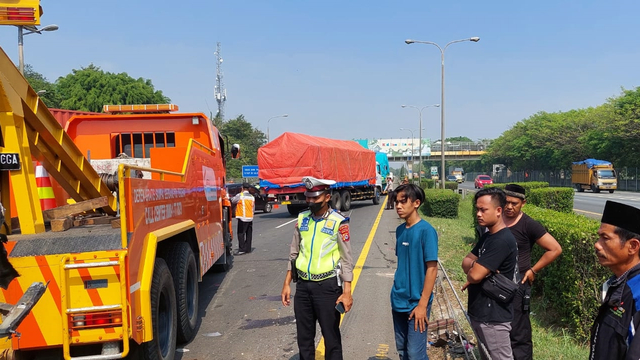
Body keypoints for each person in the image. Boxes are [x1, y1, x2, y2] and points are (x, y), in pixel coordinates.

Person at [281, 177, 354, 360]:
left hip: (327, 287)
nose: (311, 202)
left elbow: (346, 259)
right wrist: (287, 283)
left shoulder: (339, 221)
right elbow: (294, 252)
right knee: (304, 339)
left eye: (316, 198)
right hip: (304, 287)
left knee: (331, 339)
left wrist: (347, 292)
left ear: (327, 197)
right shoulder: (302, 218)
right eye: (308, 197)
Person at [502, 184, 562, 360]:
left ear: (523, 203)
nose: (509, 207)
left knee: (519, 331)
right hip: (495, 283)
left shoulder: (528, 224)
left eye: (514, 203)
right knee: (498, 327)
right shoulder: (496, 219)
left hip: (518, 284)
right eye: (506, 202)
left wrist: (533, 269)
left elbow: (555, 249)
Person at [462, 187, 518, 360]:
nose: (478, 214)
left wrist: (479, 269)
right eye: (477, 209)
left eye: (483, 210)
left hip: (493, 318)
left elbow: (474, 276)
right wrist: (478, 265)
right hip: (481, 313)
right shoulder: (488, 237)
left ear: (498, 210)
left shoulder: (501, 240)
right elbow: (465, 263)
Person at [390, 183, 438, 360]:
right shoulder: (400, 230)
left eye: (403, 201)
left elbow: (432, 269)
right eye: (396, 202)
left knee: (416, 354)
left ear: (416, 203)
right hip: (398, 299)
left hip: (417, 303)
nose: (398, 206)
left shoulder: (427, 231)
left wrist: (422, 305)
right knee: (402, 349)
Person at [590, 201, 640, 359]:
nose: (597, 245)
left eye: (605, 238)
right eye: (599, 237)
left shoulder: (637, 295)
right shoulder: (618, 282)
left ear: (632, 246)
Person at [231, 182, 255, 255]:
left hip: (242, 218)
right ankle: (248, 249)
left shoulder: (240, 195)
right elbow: (253, 208)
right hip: (250, 218)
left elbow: (233, 200)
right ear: (248, 189)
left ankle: (241, 249)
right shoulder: (252, 197)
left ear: (242, 188)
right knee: (249, 234)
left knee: (241, 234)